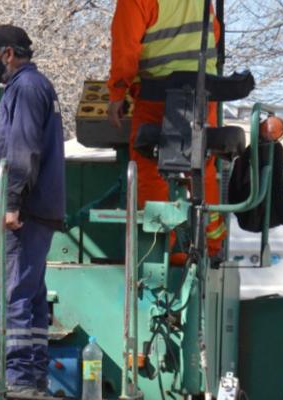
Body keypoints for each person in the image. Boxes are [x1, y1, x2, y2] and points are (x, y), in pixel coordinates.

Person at [0, 24, 65, 397]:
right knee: (32, 293)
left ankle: (22, 380)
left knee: (17, 295)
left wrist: (9, 203)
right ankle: (34, 375)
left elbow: (23, 149)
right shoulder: (33, 87)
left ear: (8, 53)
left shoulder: (25, 88)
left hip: (24, 211)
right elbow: (17, 145)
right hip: (37, 206)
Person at [107, 0, 226, 256]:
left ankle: (161, 246)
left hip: (158, 93)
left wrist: (118, 93)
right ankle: (211, 242)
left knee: (149, 163)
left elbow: (126, 49)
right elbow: (213, 31)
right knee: (201, 162)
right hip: (204, 91)